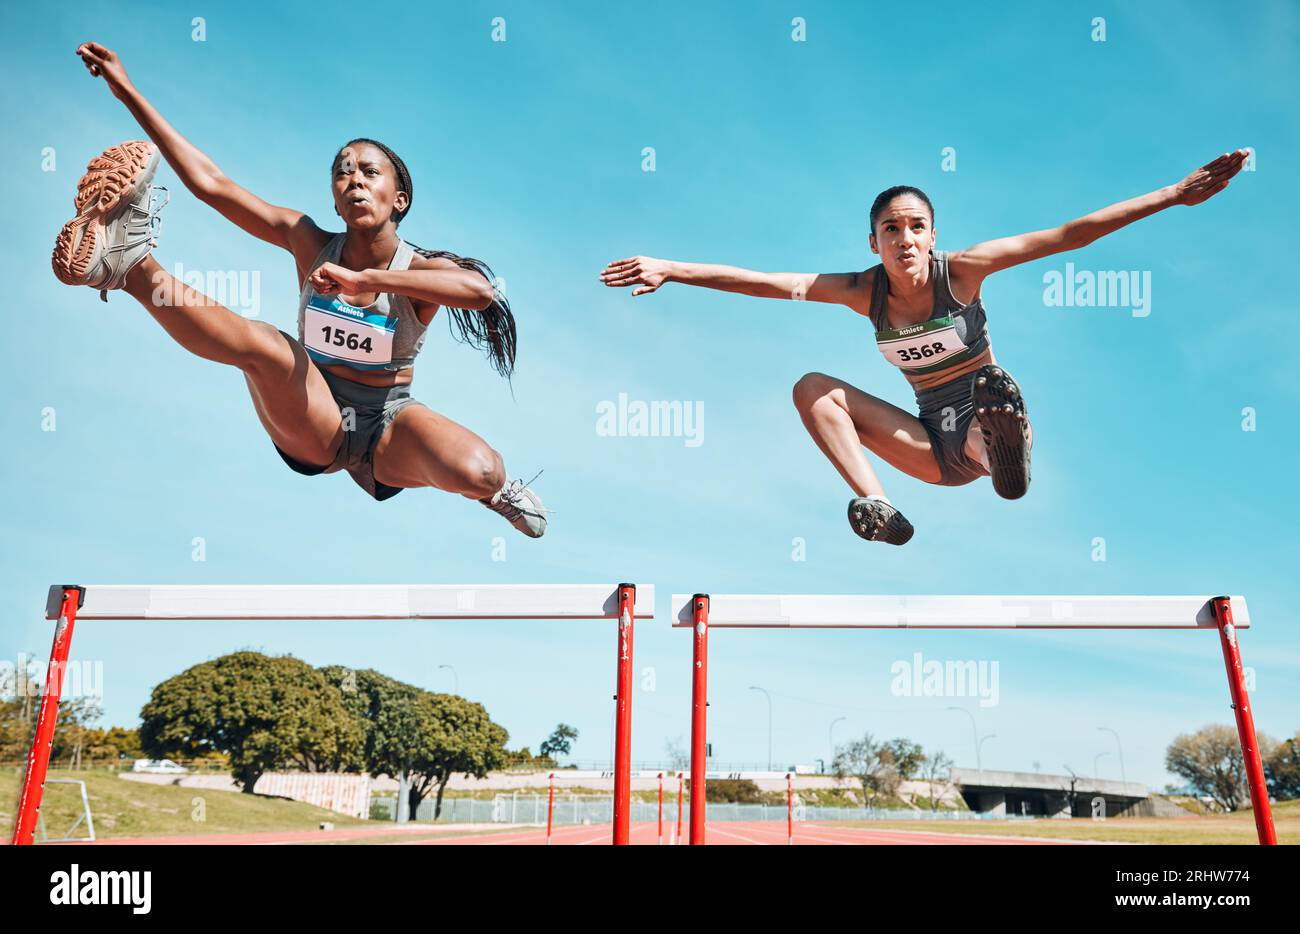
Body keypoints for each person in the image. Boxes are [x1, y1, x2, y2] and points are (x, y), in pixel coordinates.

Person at [601, 152, 1248, 544]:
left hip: (976, 429)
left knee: (991, 391)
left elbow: (1068, 235)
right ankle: (878, 506)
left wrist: (1173, 195)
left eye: (916, 227)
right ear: (873, 242)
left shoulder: (961, 272)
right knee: (811, 389)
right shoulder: (860, 291)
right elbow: (766, 283)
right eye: (891, 229)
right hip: (926, 451)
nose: (905, 238)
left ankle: (1006, 458)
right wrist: (671, 266)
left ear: (933, 236)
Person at [53, 42, 545, 535]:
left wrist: (369, 279)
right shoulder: (309, 241)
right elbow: (212, 185)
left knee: (483, 469)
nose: (354, 179)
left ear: (400, 199)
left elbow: (480, 292)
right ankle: (129, 267)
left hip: (387, 426)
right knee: (270, 348)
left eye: (369, 172)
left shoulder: (419, 270)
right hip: (313, 414)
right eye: (342, 172)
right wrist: (126, 91)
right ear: (335, 200)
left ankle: (495, 493)